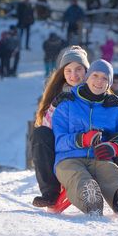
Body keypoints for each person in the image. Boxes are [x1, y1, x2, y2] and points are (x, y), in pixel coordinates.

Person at [52, 59, 118, 221]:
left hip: (99, 158)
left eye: (105, 78)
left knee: (112, 174)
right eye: (95, 75)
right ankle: (90, 199)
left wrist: (116, 148)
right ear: (87, 77)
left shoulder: (113, 109)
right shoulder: (67, 104)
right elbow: (58, 141)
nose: (99, 81)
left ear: (109, 84)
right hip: (68, 159)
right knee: (78, 177)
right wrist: (81, 139)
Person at [31, 46, 90, 208]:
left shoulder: (97, 89)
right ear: (62, 73)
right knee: (40, 134)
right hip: (64, 146)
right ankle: (50, 192)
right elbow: (45, 127)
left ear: (86, 70)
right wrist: (54, 107)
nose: (73, 75)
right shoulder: (57, 94)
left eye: (78, 69)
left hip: (91, 143)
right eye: (68, 70)